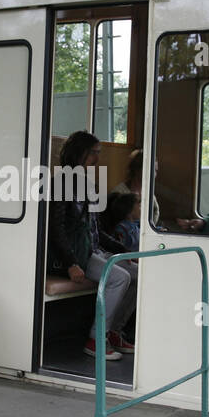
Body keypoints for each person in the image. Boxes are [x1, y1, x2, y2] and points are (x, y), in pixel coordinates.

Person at [48, 131, 138, 360]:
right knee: (120, 277)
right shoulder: (61, 182)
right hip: (75, 257)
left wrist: (126, 252)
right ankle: (96, 339)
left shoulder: (86, 185)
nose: (97, 160)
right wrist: (71, 264)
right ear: (80, 153)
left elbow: (96, 231)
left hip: (90, 251)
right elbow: (56, 229)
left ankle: (114, 331)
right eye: (94, 154)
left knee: (137, 274)